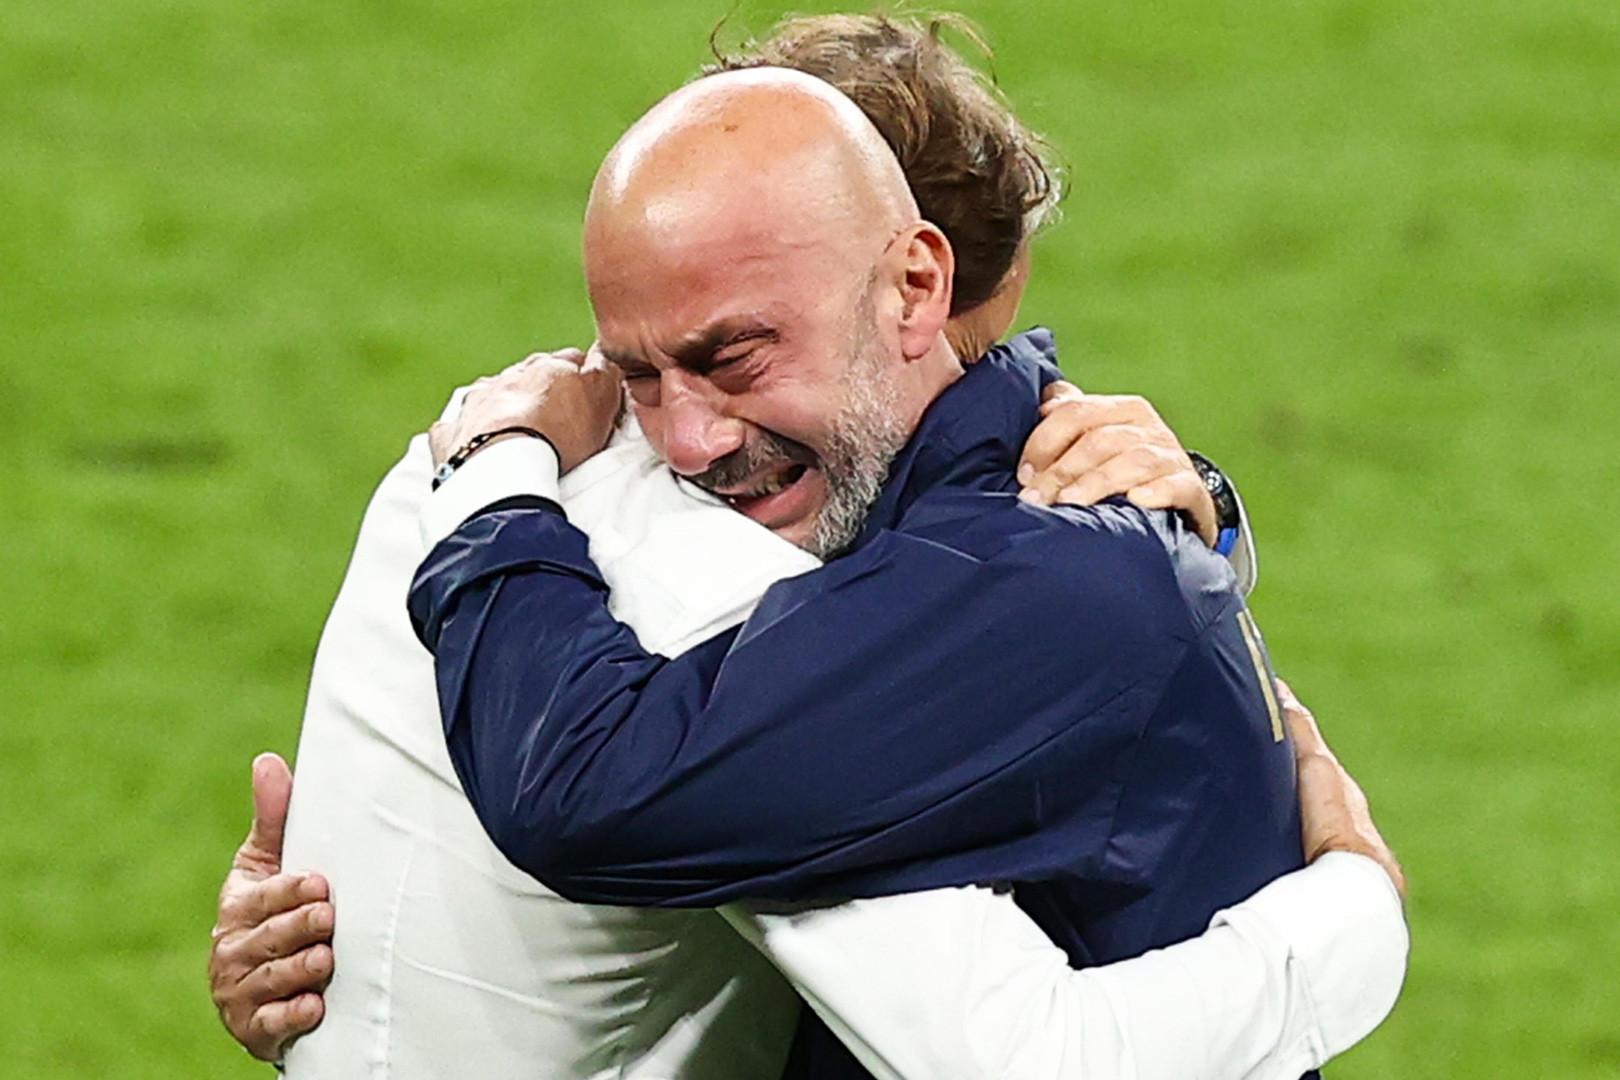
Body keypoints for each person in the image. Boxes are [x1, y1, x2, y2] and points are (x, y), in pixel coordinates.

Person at [209, 17, 1404, 1080]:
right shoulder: (700, 533)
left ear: (919, 291)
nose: (684, 443)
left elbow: (1016, 1056)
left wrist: (1356, 919)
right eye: (642, 371)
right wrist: (363, 959)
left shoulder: (981, 594)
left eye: (739, 354)